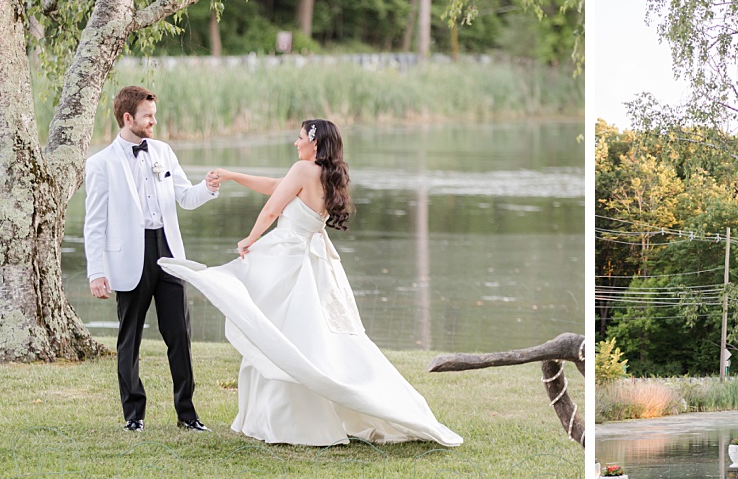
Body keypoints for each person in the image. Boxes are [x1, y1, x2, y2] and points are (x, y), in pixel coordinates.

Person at [159, 118, 462, 447]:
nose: (296, 142)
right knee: (304, 339)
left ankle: (286, 422)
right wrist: (233, 176)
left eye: (300, 137)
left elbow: (273, 208)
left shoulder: (303, 170)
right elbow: (277, 185)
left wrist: (250, 237)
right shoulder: (321, 174)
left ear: (314, 144)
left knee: (279, 334)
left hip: (290, 263)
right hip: (310, 261)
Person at [84, 86, 221, 432]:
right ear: (128, 118)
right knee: (129, 338)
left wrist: (207, 186)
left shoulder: (163, 151)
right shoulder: (101, 164)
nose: (153, 121)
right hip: (129, 257)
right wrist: (96, 272)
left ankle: (187, 415)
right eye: (148, 116)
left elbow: (185, 198)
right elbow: (94, 223)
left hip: (168, 250)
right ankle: (134, 415)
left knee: (180, 334)